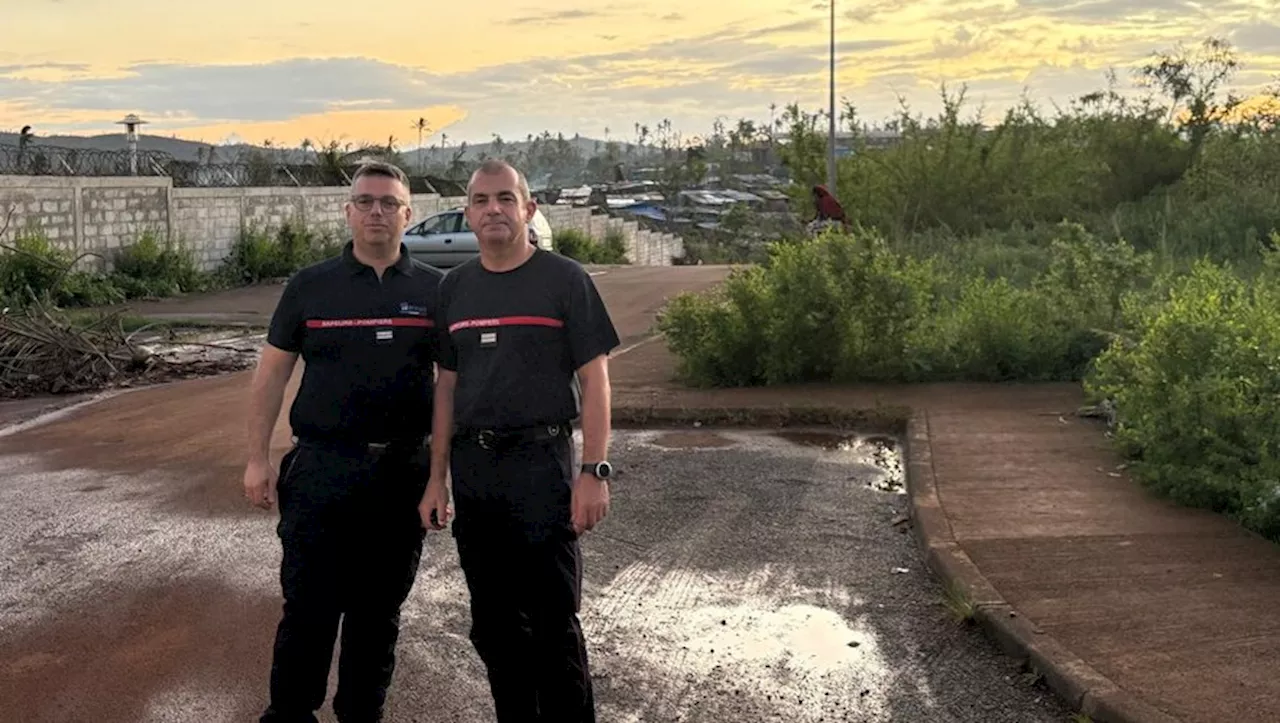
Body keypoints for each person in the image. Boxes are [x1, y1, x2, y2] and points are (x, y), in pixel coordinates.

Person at [418, 158, 619, 722]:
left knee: (554, 623)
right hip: (476, 473)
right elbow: (446, 390)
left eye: (505, 199)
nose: (493, 210)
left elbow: (596, 379)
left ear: (528, 209)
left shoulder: (565, 280)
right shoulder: (453, 290)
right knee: (495, 627)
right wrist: (437, 479)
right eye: (481, 201)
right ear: (468, 213)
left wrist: (594, 471)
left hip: (543, 467)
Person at [242, 160, 443, 723]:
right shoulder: (310, 286)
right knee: (308, 608)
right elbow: (272, 375)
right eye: (365, 201)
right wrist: (258, 459)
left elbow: (453, 388)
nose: (376, 212)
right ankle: (290, 714)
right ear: (347, 211)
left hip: (400, 474)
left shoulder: (435, 291)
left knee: (378, 616)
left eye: (388, 203)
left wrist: (439, 476)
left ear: (408, 214)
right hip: (322, 470)